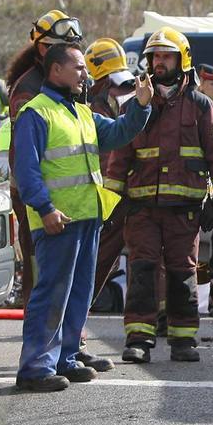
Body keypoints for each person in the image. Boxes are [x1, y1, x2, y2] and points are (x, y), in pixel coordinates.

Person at [13, 43, 152, 391]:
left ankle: (66, 357)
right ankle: (35, 367)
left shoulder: (82, 113)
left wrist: (141, 105)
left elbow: (120, 133)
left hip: (86, 218)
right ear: (55, 70)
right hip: (58, 220)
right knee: (52, 293)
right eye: (78, 68)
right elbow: (27, 172)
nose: (85, 75)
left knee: (78, 292)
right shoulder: (36, 113)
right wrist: (45, 209)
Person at [104, 28, 213, 364]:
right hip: (142, 208)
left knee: (182, 273)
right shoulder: (136, 105)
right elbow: (120, 155)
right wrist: (112, 201)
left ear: (183, 60)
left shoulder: (201, 106)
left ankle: (183, 339)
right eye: (154, 56)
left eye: (166, 56)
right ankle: (138, 339)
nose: (159, 62)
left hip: (186, 210)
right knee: (142, 269)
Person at [5, 11, 89, 348]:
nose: (71, 51)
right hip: (37, 196)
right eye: (63, 45)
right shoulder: (28, 91)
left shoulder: (68, 84)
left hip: (68, 198)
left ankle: (69, 344)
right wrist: (43, 204)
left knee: (70, 275)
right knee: (43, 274)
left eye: (73, 45)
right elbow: (27, 159)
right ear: (44, 51)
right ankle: (41, 349)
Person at [84, 38, 142, 304]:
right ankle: (73, 319)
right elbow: (108, 159)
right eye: (114, 83)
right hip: (106, 202)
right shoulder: (90, 114)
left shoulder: (113, 107)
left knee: (144, 260)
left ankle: (148, 318)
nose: (122, 90)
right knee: (96, 263)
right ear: (97, 82)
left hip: (125, 197)